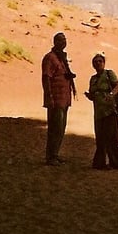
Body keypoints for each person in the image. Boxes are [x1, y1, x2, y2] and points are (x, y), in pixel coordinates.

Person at [41, 31, 76, 166]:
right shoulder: (50, 58)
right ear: (55, 42)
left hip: (64, 99)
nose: (63, 42)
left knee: (61, 128)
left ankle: (55, 154)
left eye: (64, 39)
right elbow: (46, 78)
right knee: (55, 128)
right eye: (60, 40)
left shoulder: (62, 58)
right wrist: (49, 97)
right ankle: (50, 157)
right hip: (55, 99)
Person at [85, 53, 118, 170]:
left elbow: (117, 86)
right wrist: (90, 96)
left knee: (111, 137)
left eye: (100, 61)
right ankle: (100, 163)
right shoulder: (93, 79)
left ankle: (115, 163)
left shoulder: (109, 74)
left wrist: (111, 95)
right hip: (99, 112)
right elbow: (93, 95)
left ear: (104, 63)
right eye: (95, 62)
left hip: (110, 110)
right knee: (100, 138)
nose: (98, 63)